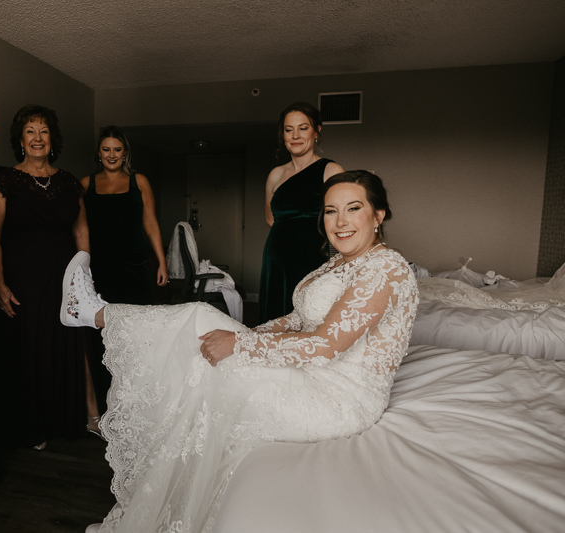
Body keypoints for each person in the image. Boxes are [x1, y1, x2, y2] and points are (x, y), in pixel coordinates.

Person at [62, 171, 418, 533]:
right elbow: (298, 320)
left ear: (378, 215)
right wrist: (247, 334)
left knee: (200, 322)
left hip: (341, 399)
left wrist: (240, 343)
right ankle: (94, 314)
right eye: (330, 211)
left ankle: (95, 313)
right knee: (202, 332)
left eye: (353, 208)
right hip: (315, 376)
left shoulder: (385, 267)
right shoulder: (340, 263)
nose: (340, 222)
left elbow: (325, 344)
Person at [0, 104, 96, 449]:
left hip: (66, 273)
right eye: (30, 132)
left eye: (44, 131)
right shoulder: (5, 181)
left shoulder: (68, 181)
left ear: (53, 139)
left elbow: (81, 231)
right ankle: (36, 424)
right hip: (25, 276)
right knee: (33, 347)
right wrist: (0, 284)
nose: (38, 138)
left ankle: (82, 416)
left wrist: (84, 279)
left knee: (71, 342)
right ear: (21, 140)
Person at [80, 125, 168, 416]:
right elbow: (78, 229)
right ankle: (110, 402)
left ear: (125, 152)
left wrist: (162, 261)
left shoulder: (138, 181)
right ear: (99, 153)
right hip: (102, 270)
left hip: (135, 267)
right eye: (106, 149)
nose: (112, 155)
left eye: (117, 149)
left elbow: (151, 223)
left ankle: (141, 399)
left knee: (139, 332)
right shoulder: (86, 184)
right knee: (105, 336)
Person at [259, 102, 344, 323]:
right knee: (275, 319)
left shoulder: (331, 170)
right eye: (289, 130)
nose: (295, 136)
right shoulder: (275, 175)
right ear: (283, 134)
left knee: (307, 319)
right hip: (276, 259)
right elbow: (271, 218)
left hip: (312, 258)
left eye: (303, 128)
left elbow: (342, 222)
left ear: (317, 130)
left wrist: (334, 266)